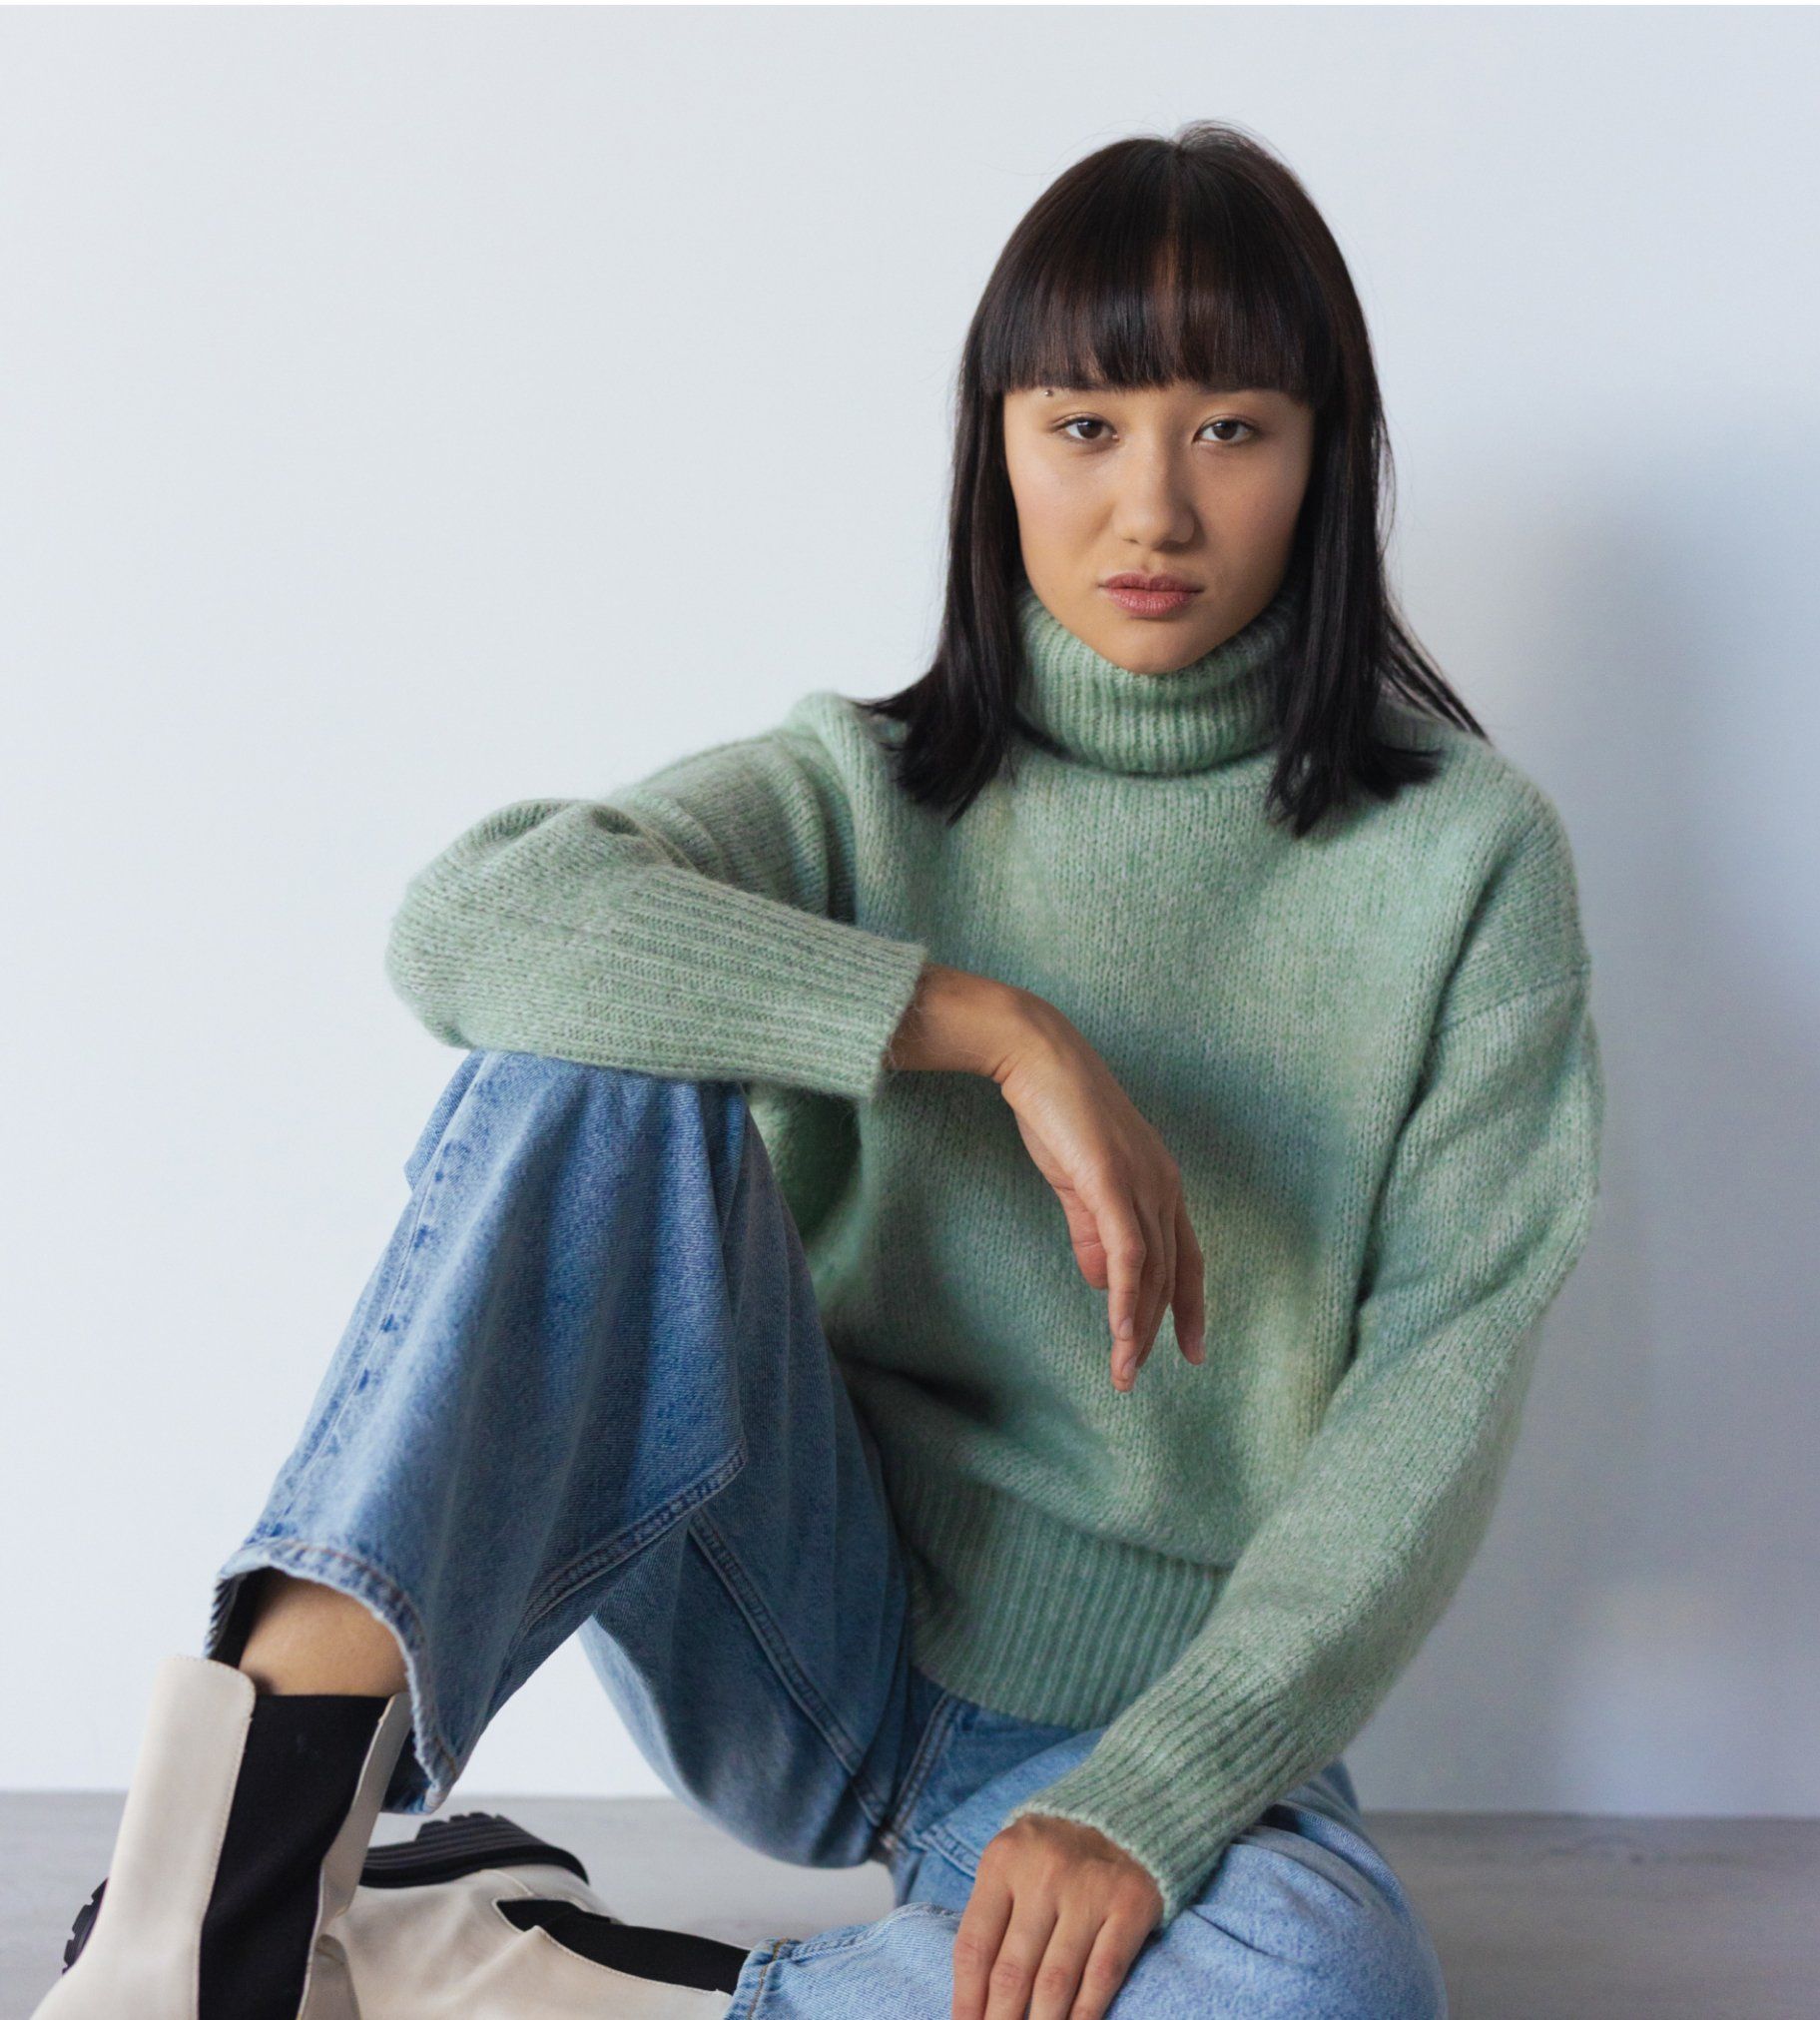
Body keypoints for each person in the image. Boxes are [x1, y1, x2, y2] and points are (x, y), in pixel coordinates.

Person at [34, 118, 1603, 2020]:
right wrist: (990, 1028)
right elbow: (470, 925)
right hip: (801, 1631)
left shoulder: (1465, 862)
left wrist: (1151, 1797)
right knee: (604, 1053)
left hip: (1140, 1721)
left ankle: (548, 1978)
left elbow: (1434, 1407)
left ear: (1325, 455)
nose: (1154, 511)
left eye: (1230, 429)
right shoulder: (865, 792)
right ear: (994, 450)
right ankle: (224, 1887)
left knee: (1324, 1988)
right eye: (1084, 425)